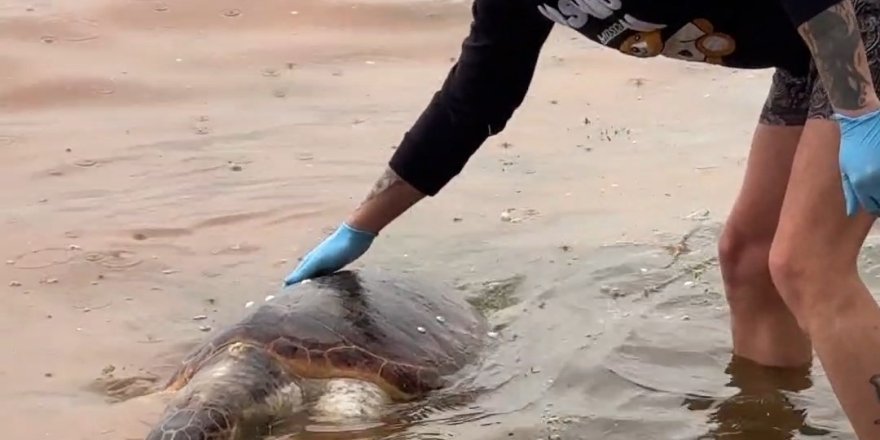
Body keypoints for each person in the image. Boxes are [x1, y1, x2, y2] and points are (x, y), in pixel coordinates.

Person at [282, 0, 880, 436]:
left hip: (855, 25)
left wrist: (860, 114)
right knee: (749, 261)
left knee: (807, 265)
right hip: (812, 52)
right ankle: (764, 424)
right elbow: (476, 97)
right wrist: (362, 227)